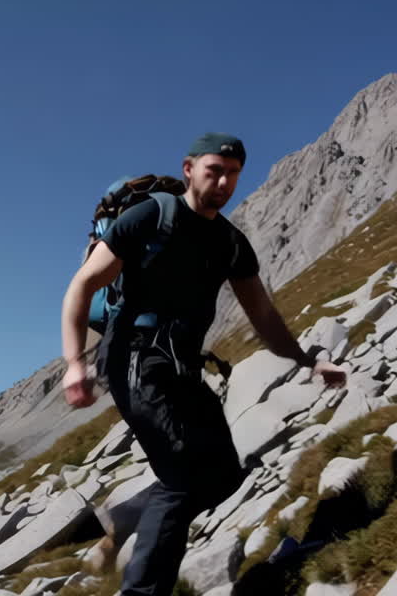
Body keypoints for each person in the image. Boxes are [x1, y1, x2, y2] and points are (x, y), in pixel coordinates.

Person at [60, 133, 347, 595]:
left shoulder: (231, 243)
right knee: (183, 474)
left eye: (233, 173)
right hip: (133, 358)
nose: (224, 181)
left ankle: (134, 517)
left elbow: (265, 317)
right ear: (189, 168)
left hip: (181, 367)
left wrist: (307, 360)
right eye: (214, 170)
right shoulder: (150, 217)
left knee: (222, 475)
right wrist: (75, 363)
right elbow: (83, 285)